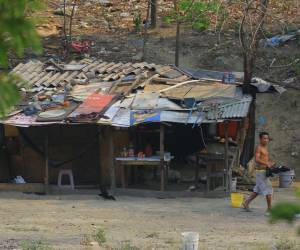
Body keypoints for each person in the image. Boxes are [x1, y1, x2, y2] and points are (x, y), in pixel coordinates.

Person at [243, 132, 275, 214]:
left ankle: (246, 203)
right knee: (269, 189)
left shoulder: (265, 146)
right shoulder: (259, 148)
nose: (266, 140)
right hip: (260, 172)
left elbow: (264, 158)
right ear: (260, 139)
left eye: (267, 138)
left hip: (264, 171)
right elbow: (257, 159)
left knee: (257, 190)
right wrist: (266, 163)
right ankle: (270, 209)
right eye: (264, 138)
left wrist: (269, 164)